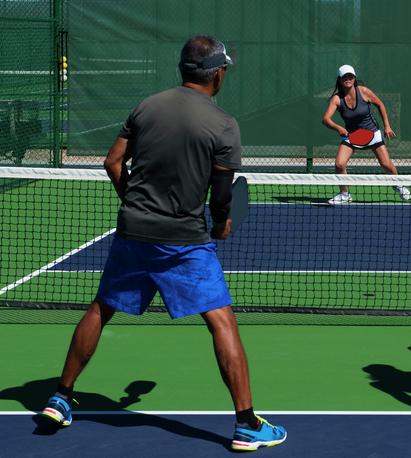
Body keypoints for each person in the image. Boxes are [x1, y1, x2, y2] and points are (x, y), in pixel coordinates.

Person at [38, 36, 286, 452]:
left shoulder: (146, 107)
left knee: (102, 308)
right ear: (217, 73)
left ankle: (60, 396)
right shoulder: (224, 125)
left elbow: (112, 162)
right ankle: (246, 424)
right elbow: (221, 195)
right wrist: (221, 224)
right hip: (185, 241)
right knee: (221, 322)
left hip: (134, 231)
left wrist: (134, 203)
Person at [322, 64, 411, 204]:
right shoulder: (336, 99)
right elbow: (325, 119)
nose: (348, 79)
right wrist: (338, 128)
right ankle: (345, 194)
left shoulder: (363, 91)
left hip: (372, 133)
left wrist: (387, 126)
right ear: (340, 80)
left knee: (386, 164)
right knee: (339, 164)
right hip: (352, 136)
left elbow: (380, 104)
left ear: (354, 78)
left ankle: (399, 185)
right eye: (344, 76)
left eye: (350, 76)